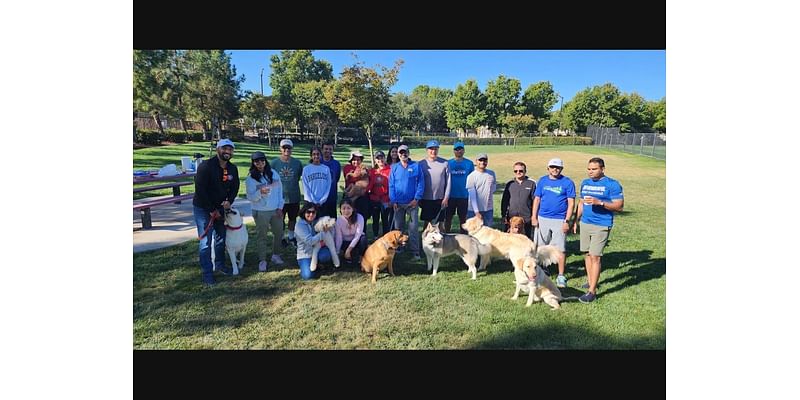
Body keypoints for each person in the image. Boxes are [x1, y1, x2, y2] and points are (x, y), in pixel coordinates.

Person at [573, 157, 624, 303]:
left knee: (595, 256)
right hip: (585, 223)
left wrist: (600, 202)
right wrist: (576, 221)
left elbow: (619, 206)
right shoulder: (585, 183)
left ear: (602, 169)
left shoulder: (612, 185)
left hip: (601, 224)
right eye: (588, 169)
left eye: (594, 169)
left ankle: (592, 292)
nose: (590, 172)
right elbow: (581, 202)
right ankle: (591, 282)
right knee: (587, 255)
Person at [192, 138, 239, 287]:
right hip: (203, 207)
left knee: (221, 238)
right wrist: (211, 210)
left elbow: (235, 186)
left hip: (220, 208)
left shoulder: (232, 168)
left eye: (230, 149)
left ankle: (220, 265)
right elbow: (200, 190)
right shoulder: (206, 166)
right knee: (206, 242)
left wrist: (229, 201)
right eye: (225, 148)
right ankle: (207, 273)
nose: (227, 152)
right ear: (218, 149)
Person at [531, 158, 576, 288]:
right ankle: (542, 269)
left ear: (561, 169)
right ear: (548, 168)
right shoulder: (542, 180)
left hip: (559, 219)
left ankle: (561, 275)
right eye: (552, 167)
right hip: (542, 218)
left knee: (560, 248)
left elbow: (571, 203)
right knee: (540, 247)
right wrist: (534, 216)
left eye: (557, 167)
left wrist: (567, 221)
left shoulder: (567, 182)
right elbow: (537, 199)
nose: (554, 169)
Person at [245, 151, 285, 272]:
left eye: (262, 161)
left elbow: (279, 192)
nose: (260, 163)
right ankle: (262, 260)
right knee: (262, 235)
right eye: (257, 161)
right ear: (253, 163)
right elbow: (250, 197)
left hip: (275, 209)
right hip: (260, 210)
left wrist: (280, 207)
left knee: (279, 233)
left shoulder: (273, 174)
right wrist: (260, 193)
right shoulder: (250, 178)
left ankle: (276, 255)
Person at [388, 144, 424, 260]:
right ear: (398, 154)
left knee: (413, 228)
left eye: (405, 152)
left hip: (412, 203)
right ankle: (400, 247)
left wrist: (416, 198)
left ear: (408, 153)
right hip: (398, 203)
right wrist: (393, 200)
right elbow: (391, 185)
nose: (403, 154)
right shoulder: (394, 167)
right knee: (398, 227)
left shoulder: (416, 166)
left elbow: (421, 183)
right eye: (401, 153)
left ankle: (415, 251)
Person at [271, 138, 303, 247]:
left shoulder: (297, 163)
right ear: (280, 148)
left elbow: (298, 176)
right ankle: (281, 237)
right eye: (284, 147)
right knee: (280, 219)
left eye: (289, 148)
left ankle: (291, 236)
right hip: (279, 197)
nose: (286, 150)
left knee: (292, 218)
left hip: (294, 196)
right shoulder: (274, 163)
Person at [417, 140, 451, 235]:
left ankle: (442, 245)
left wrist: (446, 197)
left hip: (440, 198)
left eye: (435, 149)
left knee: (440, 223)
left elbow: (448, 181)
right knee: (427, 224)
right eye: (431, 149)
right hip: (426, 198)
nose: (433, 151)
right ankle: (425, 243)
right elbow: (418, 182)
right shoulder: (421, 164)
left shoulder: (445, 163)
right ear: (427, 150)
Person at [294, 202, 334, 280]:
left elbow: (330, 233)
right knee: (307, 276)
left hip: (318, 249)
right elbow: (310, 241)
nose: (311, 214)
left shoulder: (317, 221)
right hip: (305, 254)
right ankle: (307, 264)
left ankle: (318, 263)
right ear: (303, 212)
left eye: (313, 212)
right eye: (308, 212)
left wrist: (329, 228)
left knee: (326, 255)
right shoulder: (300, 225)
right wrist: (323, 233)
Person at [500, 161, 536, 238]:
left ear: (525, 171)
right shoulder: (510, 184)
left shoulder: (531, 184)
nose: (518, 172)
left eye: (521, 171)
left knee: (526, 239)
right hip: (512, 217)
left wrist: (534, 216)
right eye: (516, 171)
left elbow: (535, 201)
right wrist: (503, 215)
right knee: (509, 239)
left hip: (526, 218)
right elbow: (505, 201)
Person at [445, 141, 474, 233]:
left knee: (463, 219)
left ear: (464, 150)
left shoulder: (469, 163)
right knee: (448, 218)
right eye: (457, 149)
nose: (459, 151)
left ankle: (464, 237)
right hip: (451, 196)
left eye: (461, 149)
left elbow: (472, 179)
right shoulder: (448, 163)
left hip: (464, 196)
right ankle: (447, 235)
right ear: (454, 151)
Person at [466, 153, 497, 227]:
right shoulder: (471, 176)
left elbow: (493, 188)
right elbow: (472, 196)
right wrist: (476, 212)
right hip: (473, 211)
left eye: (485, 160)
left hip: (488, 210)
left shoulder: (491, 174)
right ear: (476, 161)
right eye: (480, 160)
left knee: (488, 233)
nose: (482, 162)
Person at [334, 198, 368, 266]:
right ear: (340, 210)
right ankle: (347, 255)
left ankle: (361, 257)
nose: (346, 211)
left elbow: (357, 236)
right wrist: (337, 253)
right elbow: (339, 238)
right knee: (348, 260)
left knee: (363, 239)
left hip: (357, 240)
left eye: (348, 208)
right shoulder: (338, 220)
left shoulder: (359, 218)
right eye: (343, 208)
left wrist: (349, 249)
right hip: (345, 242)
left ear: (352, 209)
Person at [367, 150, 392, 237]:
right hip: (375, 199)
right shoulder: (372, 171)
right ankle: (375, 236)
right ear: (375, 160)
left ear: (385, 158)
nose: (380, 160)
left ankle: (386, 237)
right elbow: (369, 185)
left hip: (386, 199)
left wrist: (391, 199)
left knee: (385, 220)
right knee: (375, 219)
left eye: (382, 158)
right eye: (378, 158)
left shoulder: (390, 170)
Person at [342, 150, 371, 220]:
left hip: (362, 197)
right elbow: (352, 178)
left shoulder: (363, 167)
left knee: (362, 218)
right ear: (351, 160)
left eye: (358, 160)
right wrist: (362, 175)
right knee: (349, 218)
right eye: (354, 160)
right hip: (350, 197)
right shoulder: (347, 167)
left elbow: (368, 179)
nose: (356, 162)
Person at [320, 141, 342, 219]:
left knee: (332, 221)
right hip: (320, 198)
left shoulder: (336, 164)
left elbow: (337, 178)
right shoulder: (318, 162)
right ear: (322, 150)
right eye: (326, 149)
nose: (328, 151)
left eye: (330, 149)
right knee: (319, 222)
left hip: (332, 197)